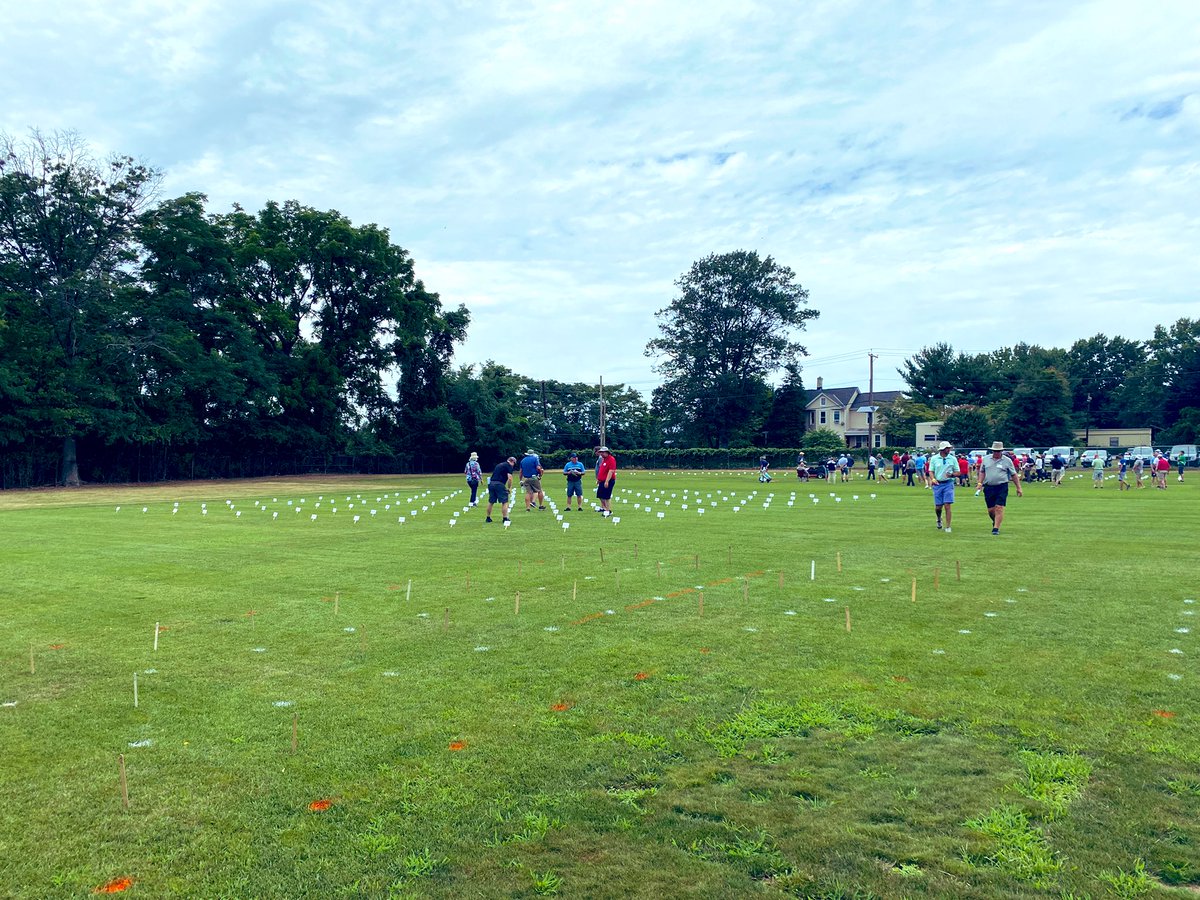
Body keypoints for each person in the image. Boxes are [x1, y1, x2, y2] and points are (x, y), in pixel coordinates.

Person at [976, 440, 1022, 535]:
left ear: (1001, 451)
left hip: (1002, 486)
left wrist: (1018, 488)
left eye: (998, 451)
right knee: (991, 510)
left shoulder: (1007, 461)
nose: (996, 453)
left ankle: (996, 528)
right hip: (988, 487)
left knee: (999, 507)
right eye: (995, 451)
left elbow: (1014, 475)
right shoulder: (986, 459)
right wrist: (980, 483)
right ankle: (995, 521)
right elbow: (982, 471)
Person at [929, 441, 958, 532]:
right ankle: (939, 518)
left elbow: (958, 472)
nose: (949, 449)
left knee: (947, 505)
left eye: (949, 448)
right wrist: (933, 479)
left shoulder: (953, 459)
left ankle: (948, 526)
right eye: (947, 448)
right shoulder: (934, 458)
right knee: (938, 507)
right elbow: (931, 471)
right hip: (938, 484)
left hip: (948, 483)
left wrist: (952, 475)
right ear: (942, 449)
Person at [486, 456, 516, 524]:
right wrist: (509, 488)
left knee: (491, 501)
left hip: (491, 483)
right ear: (512, 462)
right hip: (499, 484)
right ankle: (505, 518)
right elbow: (510, 478)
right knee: (504, 501)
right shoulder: (508, 466)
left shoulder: (499, 465)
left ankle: (488, 518)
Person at [596, 446, 617, 516]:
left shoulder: (611, 459)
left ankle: (608, 511)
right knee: (600, 495)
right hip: (602, 481)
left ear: (607, 452)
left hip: (609, 481)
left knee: (607, 496)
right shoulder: (604, 459)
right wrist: (599, 479)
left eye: (602, 452)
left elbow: (611, 471)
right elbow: (602, 470)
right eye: (600, 452)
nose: (601, 454)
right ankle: (605, 508)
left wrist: (607, 481)